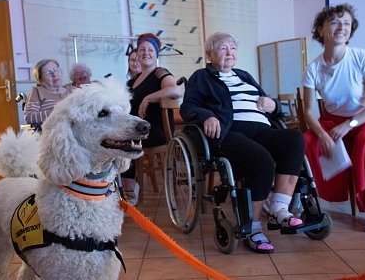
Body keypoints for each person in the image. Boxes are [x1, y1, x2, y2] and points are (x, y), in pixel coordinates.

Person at [180, 32, 305, 253]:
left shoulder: (244, 75)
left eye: (233, 48)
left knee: (294, 139)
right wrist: (206, 116)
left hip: (262, 129)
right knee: (262, 159)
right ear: (209, 54)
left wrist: (273, 105)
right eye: (222, 48)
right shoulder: (201, 76)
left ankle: (279, 207)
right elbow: (188, 107)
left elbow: (270, 105)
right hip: (229, 131)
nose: (229, 52)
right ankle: (254, 228)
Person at [302, 4, 365, 232]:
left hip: (363, 119)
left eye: (346, 24)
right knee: (307, 141)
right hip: (330, 121)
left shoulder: (362, 57)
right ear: (320, 30)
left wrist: (349, 124)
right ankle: (314, 204)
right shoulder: (313, 68)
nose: (341, 27)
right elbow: (309, 112)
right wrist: (321, 134)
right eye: (334, 22)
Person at [121, 33, 184, 206]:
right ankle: (128, 189)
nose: (146, 52)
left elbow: (177, 91)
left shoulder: (159, 73)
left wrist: (149, 98)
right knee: (115, 141)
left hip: (155, 131)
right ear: (137, 54)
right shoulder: (132, 82)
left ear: (156, 54)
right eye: (142, 49)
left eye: (150, 50)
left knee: (125, 143)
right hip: (136, 129)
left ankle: (129, 191)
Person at [24, 59, 75, 131]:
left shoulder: (72, 90)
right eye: (48, 72)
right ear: (40, 79)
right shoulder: (37, 92)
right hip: (51, 133)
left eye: (56, 69)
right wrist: (58, 113)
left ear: (61, 72)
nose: (54, 75)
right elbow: (29, 117)